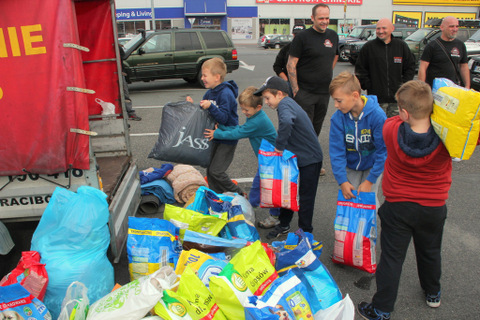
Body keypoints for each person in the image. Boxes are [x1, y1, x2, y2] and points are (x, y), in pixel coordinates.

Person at [357, 80, 453, 320]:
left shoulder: (391, 129)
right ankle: (433, 293)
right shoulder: (447, 137)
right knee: (430, 250)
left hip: (398, 205)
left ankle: (381, 309)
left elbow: (392, 120)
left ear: (405, 112)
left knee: (391, 258)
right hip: (433, 206)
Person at [254, 76, 323, 239]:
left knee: (305, 198)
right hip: (296, 158)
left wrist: (279, 146)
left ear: (279, 94)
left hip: (310, 159)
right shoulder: (286, 104)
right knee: (288, 192)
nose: (267, 102)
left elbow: (287, 122)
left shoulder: (285, 104)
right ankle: (284, 225)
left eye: (267, 98)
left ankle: (305, 233)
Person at [204, 86, 280, 228]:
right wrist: (223, 128)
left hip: (273, 160)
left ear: (258, 107)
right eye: (242, 109)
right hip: (267, 159)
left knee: (268, 188)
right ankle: (251, 207)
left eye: (246, 110)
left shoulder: (258, 121)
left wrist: (218, 133)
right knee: (263, 186)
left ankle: (266, 213)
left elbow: (239, 134)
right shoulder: (255, 116)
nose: (244, 113)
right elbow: (240, 129)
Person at [186, 57, 244, 195]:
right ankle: (216, 196)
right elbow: (203, 112)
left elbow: (223, 118)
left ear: (217, 77)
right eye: (202, 75)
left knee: (216, 171)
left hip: (227, 138)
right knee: (210, 170)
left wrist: (211, 106)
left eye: (205, 75)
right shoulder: (210, 92)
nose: (202, 78)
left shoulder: (226, 93)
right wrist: (192, 105)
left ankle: (239, 192)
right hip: (215, 136)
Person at [328, 71, 386, 207]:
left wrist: (370, 181)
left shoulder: (377, 116)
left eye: (339, 100)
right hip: (351, 166)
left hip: (372, 167)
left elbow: (383, 151)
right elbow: (337, 152)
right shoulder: (338, 118)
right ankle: (347, 229)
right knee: (348, 200)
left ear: (355, 95)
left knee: (368, 203)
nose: (336, 105)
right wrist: (342, 181)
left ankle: (369, 229)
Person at [287, 4, 339, 137]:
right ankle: (301, 157)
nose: (325, 21)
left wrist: (326, 72)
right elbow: (291, 64)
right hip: (305, 93)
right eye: (321, 18)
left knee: (316, 130)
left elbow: (335, 55)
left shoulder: (333, 36)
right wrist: (296, 91)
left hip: (323, 93)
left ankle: (312, 156)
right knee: (304, 131)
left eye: (327, 18)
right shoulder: (302, 37)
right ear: (312, 18)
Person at [355, 18, 415, 118]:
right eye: (378, 28)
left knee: (395, 128)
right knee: (378, 128)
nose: (380, 31)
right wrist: (368, 85)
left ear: (392, 29)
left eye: (384, 28)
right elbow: (360, 69)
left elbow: (410, 67)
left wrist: (404, 85)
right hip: (376, 100)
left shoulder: (401, 46)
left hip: (397, 100)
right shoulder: (369, 47)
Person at [418, 16, 470, 89]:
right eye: (451, 26)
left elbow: (464, 66)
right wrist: (421, 88)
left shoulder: (460, 45)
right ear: (442, 27)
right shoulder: (432, 46)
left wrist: (467, 85)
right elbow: (423, 68)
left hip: (453, 89)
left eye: (457, 26)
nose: (455, 29)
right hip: (434, 89)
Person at [118, 44, 141, 121]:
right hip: (119, 73)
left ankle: (128, 112)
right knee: (125, 94)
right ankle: (129, 112)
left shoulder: (116, 47)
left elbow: (123, 57)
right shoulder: (117, 47)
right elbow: (124, 57)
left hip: (119, 72)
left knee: (124, 94)